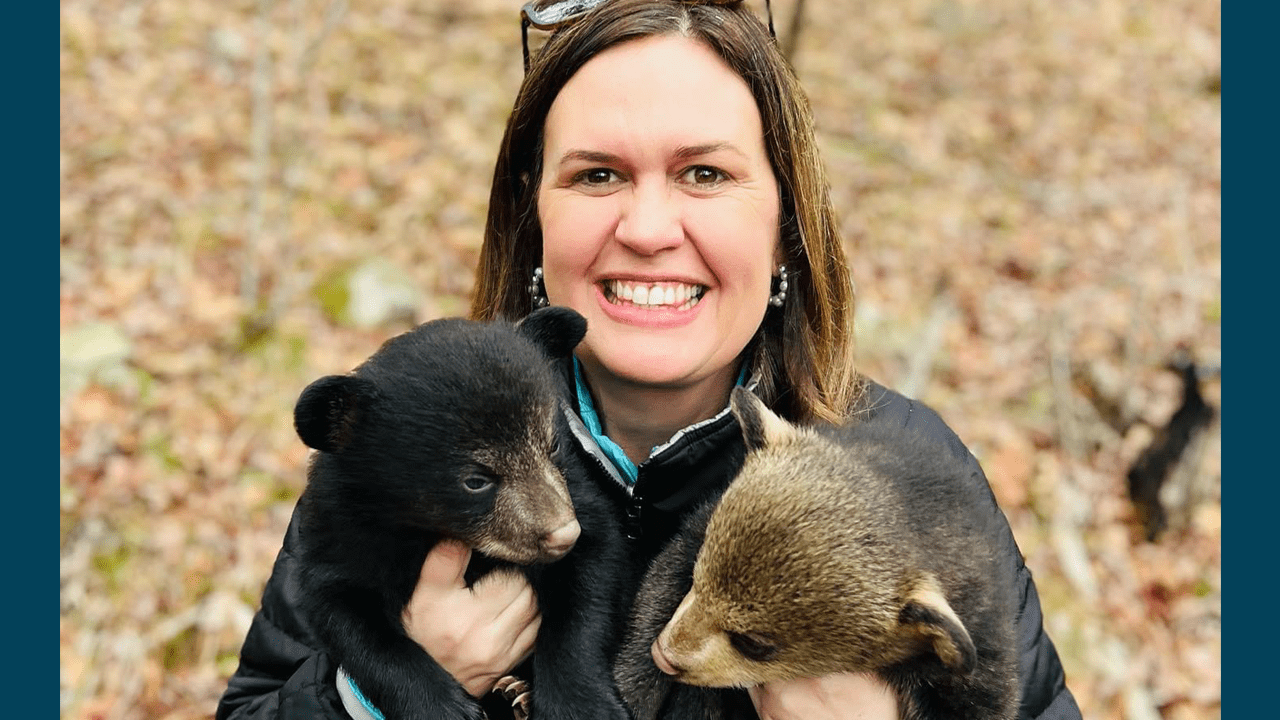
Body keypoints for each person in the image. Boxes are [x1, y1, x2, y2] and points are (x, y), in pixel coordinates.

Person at [217, 1, 1083, 719]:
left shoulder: (902, 471)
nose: (648, 228)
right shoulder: (411, 444)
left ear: (786, 223)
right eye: (597, 176)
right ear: (534, 214)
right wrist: (369, 696)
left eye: (705, 174)